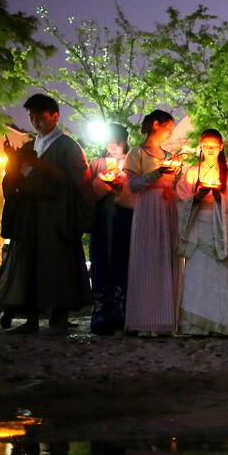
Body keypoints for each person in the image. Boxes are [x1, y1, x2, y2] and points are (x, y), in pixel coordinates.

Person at [0, 94, 91, 335]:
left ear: (55, 116)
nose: (35, 122)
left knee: (58, 265)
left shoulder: (68, 146)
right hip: (30, 214)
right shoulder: (29, 145)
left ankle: (59, 321)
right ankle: (31, 319)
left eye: (40, 117)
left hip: (55, 215)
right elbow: (14, 178)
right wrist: (12, 161)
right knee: (30, 264)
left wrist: (45, 168)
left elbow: (78, 181)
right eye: (31, 118)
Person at [175, 129, 228, 336]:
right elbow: (180, 199)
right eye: (206, 146)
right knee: (197, 276)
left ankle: (220, 324)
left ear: (221, 147)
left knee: (218, 278)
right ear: (201, 147)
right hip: (198, 230)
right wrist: (196, 196)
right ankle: (195, 324)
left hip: (219, 230)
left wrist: (220, 198)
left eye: (214, 146)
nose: (210, 150)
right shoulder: (191, 173)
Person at [124, 109, 181, 335]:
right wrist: (157, 173)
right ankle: (143, 319)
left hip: (167, 207)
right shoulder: (137, 153)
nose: (170, 134)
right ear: (156, 125)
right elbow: (133, 185)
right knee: (147, 259)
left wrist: (174, 175)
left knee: (165, 260)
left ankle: (164, 319)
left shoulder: (168, 155)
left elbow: (174, 183)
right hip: (148, 208)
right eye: (168, 129)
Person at [86, 123, 134, 335]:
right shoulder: (97, 163)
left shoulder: (132, 162)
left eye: (117, 143)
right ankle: (101, 315)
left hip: (125, 217)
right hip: (102, 217)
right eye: (109, 143)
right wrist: (105, 186)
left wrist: (120, 188)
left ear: (124, 142)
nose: (113, 147)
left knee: (124, 261)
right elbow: (88, 190)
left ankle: (123, 315)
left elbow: (135, 190)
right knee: (102, 263)